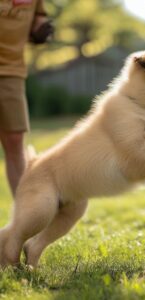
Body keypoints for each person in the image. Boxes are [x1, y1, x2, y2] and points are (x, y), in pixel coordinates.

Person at [0, 0, 53, 196]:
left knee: (15, 139)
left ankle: (24, 218)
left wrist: (41, 29)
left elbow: (38, 18)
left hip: (11, 70)